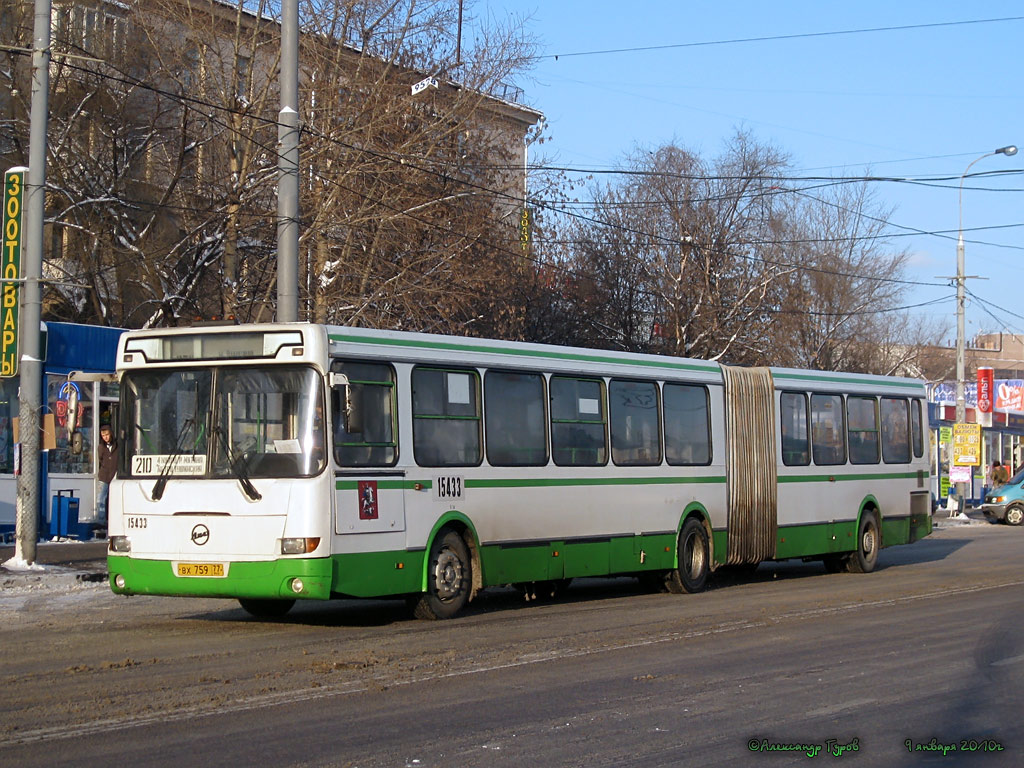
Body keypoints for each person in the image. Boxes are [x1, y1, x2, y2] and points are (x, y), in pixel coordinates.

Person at [96, 423, 118, 526]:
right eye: (103, 436)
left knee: (114, 499)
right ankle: (101, 521)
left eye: (107, 435)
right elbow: (101, 460)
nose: (105, 438)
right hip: (104, 476)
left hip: (115, 475)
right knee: (101, 498)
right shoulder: (101, 447)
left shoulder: (117, 445)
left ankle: (113, 520)